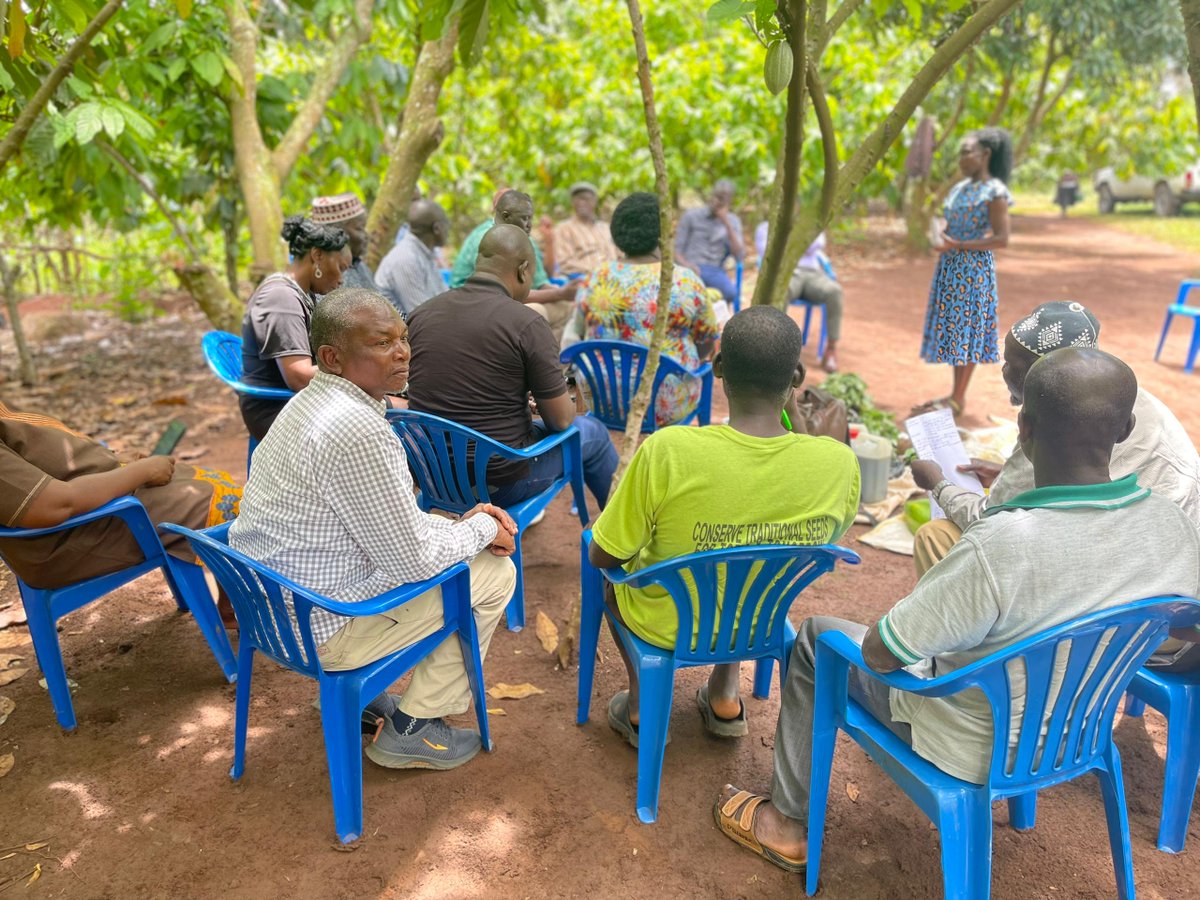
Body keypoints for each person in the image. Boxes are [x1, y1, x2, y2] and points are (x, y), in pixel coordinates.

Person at [713, 347, 1200, 875]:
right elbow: (1185, 621)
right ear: (1126, 427)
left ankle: (785, 826)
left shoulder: (1002, 544)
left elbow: (880, 653)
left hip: (973, 744)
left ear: (1025, 428)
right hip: (1079, 732)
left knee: (815, 638)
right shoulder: (1169, 527)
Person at [229, 288, 519, 771]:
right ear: (332, 357)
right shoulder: (359, 430)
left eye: (403, 338)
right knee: (492, 573)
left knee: (447, 536)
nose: (403, 352)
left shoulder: (304, 406)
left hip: (274, 613)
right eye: (382, 343)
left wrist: (457, 526)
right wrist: (484, 529)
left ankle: (367, 699)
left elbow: (383, 525)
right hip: (324, 626)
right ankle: (415, 728)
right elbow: (413, 560)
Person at [588, 306, 860, 742]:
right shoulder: (838, 463)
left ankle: (641, 705)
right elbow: (823, 532)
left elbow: (605, 554)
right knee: (750, 561)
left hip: (669, 623)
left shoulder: (670, 450)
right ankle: (725, 695)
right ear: (796, 378)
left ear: (716, 368)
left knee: (615, 585)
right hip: (760, 622)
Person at [911, 301, 1200, 582]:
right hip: (1170, 576)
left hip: (1113, 577)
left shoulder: (1054, 423)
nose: (1003, 371)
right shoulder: (1122, 397)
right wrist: (1005, 474)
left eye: (1010, 363)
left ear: (1040, 375)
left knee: (939, 537)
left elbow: (988, 519)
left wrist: (938, 483)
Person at [407, 224, 618, 511]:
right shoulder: (526, 323)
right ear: (523, 270)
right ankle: (621, 545)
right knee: (593, 431)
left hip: (433, 477)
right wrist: (563, 402)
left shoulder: (421, 315)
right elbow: (561, 422)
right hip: (499, 483)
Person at [0, 401, 241, 622]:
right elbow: (51, 506)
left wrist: (110, 460)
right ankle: (241, 607)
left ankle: (231, 603)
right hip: (75, 535)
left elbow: (41, 458)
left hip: (88, 508)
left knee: (212, 480)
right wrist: (140, 472)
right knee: (228, 502)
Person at [577, 192, 718, 426]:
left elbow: (581, 330)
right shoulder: (684, 281)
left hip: (600, 397)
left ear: (616, 233)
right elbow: (706, 343)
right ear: (663, 233)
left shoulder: (595, 277)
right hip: (664, 403)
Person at [915, 127, 1012, 418]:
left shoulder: (994, 192)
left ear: (985, 155)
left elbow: (1001, 238)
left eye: (966, 152)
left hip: (974, 271)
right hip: (951, 267)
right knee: (956, 331)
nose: (961, 159)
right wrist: (941, 238)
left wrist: (960, 244)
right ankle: (955, 395)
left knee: (967, 332)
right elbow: (950, 227)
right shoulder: (959, 189)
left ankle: (958, 397)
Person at [239, 215, 349, 441]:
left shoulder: (300, 292)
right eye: (340, 267)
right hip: (277, 410)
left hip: (296, 402)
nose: (341, 279)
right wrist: (356, 365)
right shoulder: (281, 298)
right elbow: (299, 377)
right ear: (317, 255)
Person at [449, 190, 580, 340]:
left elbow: (541, 281)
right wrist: (560, 293)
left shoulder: (522, 237)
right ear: (504, 214)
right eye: (524, 218)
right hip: (475, 308)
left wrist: (567, 292)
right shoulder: (492, 239)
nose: (529, 225)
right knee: (535, 315)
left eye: (530, 218)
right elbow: (502, 296)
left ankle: (555, 361)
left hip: (502, 303)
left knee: (570, 308)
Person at [754, 224, 844, 373]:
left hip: (812, 274)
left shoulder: (811, 220)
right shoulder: (766, 226)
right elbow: (767, 252)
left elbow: (817, 244)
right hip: (786, 273)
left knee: (835, 291)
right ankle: (774, 349)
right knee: (780, 292)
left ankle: (831, 349)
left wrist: (789, 238)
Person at [374, 199, 451, 317]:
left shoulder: (426, 253)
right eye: (447, 224)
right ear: (437, 228)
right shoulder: (405, 258)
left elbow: (444, 298)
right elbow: (423, 316)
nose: (448, 230)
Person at [675, 179, 744, 307]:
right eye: (716, 196)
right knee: (685, 295)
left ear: (729, 201)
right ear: (711, 195)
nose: (716, 201)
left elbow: (739, 255)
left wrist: (726, 223)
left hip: (715, 270)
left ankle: (712, 323)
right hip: (690, 268)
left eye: (722, 199)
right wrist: (687, 265)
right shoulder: (691, 216)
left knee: (730, 292)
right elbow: (676, 251)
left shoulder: (733, 221)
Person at [311, 193, 376, 292]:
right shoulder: (329, 279)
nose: (366, 236)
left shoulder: (360, 266)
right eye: (359, 229)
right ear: (338, 234)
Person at [552, 182, 617, 277]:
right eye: (578, 199)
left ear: (595, 201)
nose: (582, 202)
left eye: (586, 199)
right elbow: (564, 263)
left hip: (615, 276)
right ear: (572, 203)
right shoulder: (564, 228)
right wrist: (597, 270)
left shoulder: (606, 228)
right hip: (584, 279)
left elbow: (620, 255)